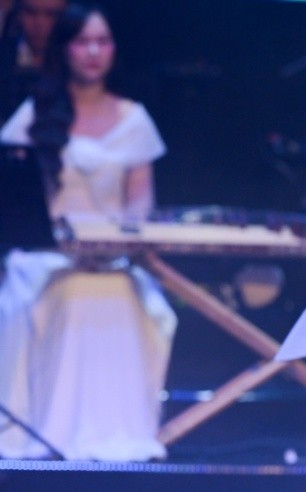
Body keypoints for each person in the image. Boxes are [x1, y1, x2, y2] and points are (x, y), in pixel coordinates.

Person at [0, 3, 175, 461]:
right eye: (82, 42)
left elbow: (140, 207)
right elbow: (17, 201)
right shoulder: (36, 116)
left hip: (113, 256)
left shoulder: (133, 118)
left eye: (103, 41)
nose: (94, 52)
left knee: (117, 291)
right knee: (66, 290)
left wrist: (113, 245)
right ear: (65, 49)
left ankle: (117, 433)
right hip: (46, 255)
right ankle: (50, 432)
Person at [0, 0, 67, 122]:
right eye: (30, 12)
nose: (40, 23)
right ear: (18, 13)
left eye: (52, 14)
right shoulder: (4, 57)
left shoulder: (77, 62)